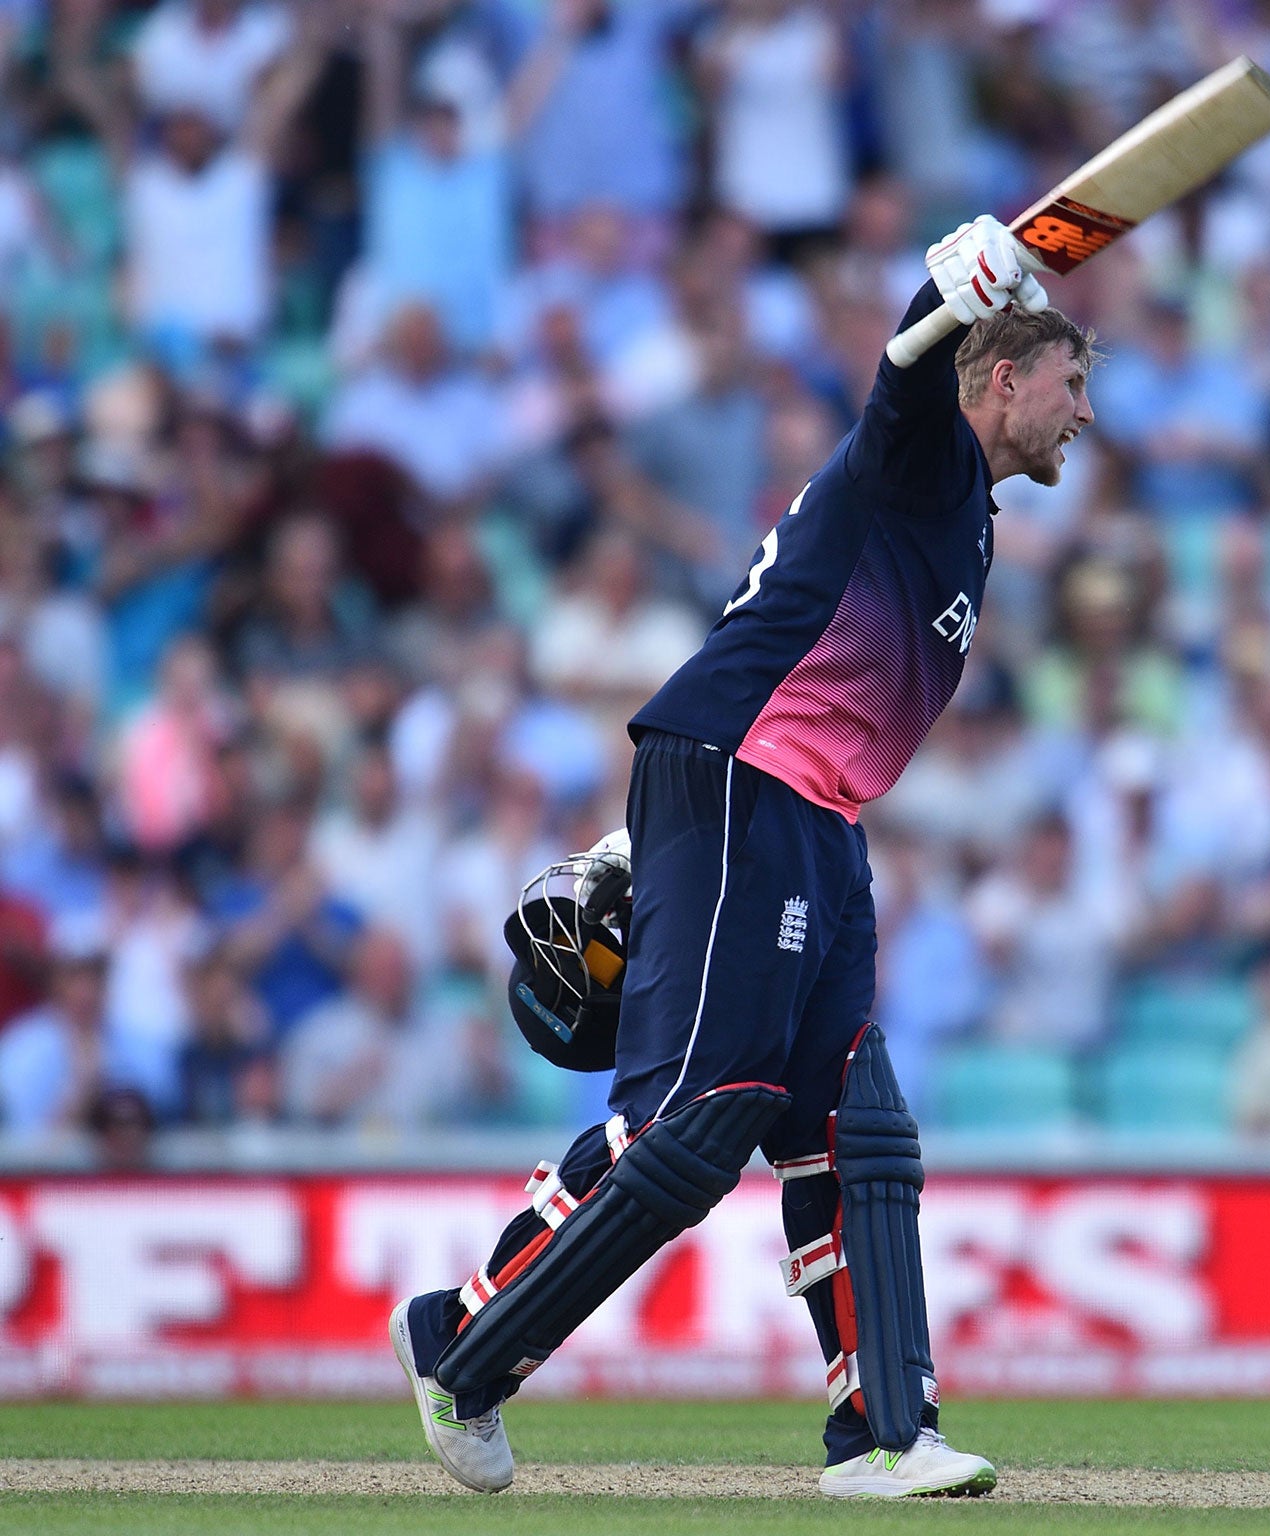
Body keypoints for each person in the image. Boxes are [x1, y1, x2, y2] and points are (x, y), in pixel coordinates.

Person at [391, 215, 1094, 1497]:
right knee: (692, 1123)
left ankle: (887, 1438)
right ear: (1002, 378)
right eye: (1070, 384)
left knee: (852, 1126)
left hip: (817, 814)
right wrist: (942, 294)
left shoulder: (969, 512)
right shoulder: (924, 449)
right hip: (741, 777)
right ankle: (461, 1343)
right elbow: (897, 373)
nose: (1081, 414)